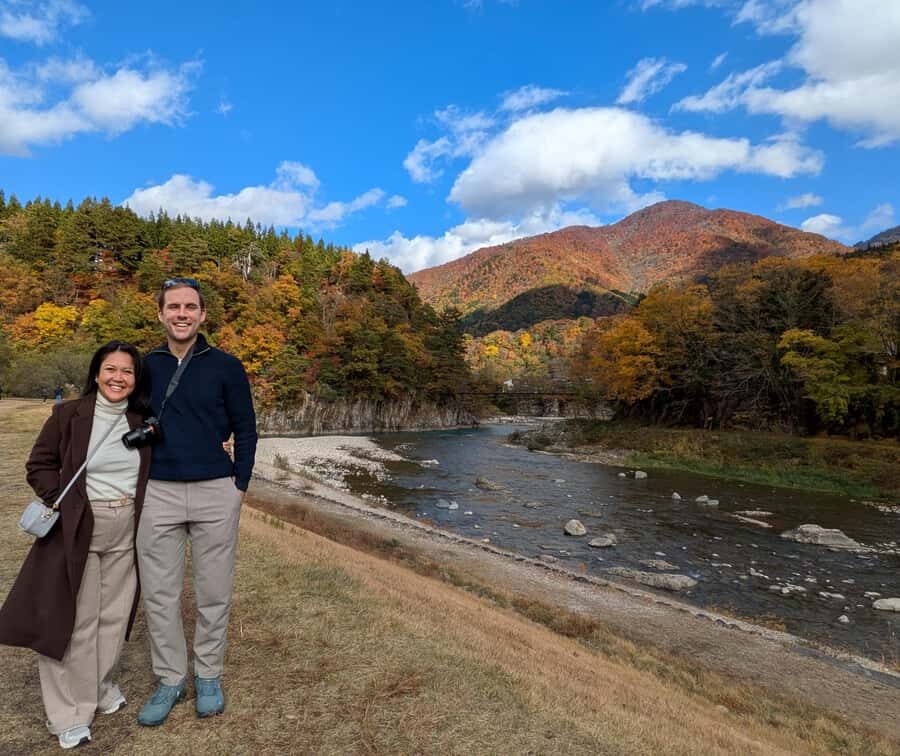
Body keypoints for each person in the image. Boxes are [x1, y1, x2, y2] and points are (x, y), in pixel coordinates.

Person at [0, 341, 152, 750]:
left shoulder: (142, 419)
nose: (118, 378)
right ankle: (68, 713)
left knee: (113, 617)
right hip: (81, 526)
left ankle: (100, 689)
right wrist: (68, 504)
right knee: (76, 621)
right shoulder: (69, 414)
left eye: (127, 371)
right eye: (111, 369)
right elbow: (39, 465)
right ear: (97, 373)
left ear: (137, 379)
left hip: (127, 527)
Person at [136, 277, 256, 726]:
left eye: (190, 307)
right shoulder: (144, 366)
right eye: (173, 307)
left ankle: (208, 674)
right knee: (160, 594)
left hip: (214, 491)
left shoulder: (226, 366)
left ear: (203, 315)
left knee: (214, 592)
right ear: (161, 314)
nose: (181, 314)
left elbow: (245, 428)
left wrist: (238, 486)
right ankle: (170, 679)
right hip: (159, 492)